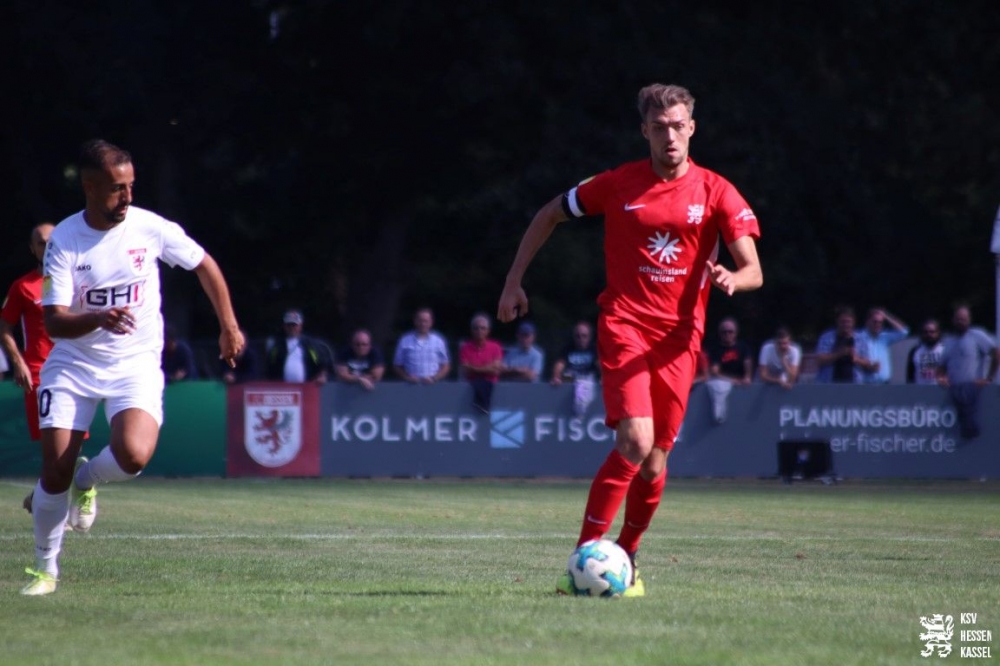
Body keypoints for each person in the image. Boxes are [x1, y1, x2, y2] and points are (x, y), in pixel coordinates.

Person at [497, 83, 762, 597]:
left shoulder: (716, 191)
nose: (669, 135)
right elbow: (549, 212)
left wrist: (733, 277)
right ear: (645, 130)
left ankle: (629, 557)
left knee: (657, 459)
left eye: (678, 125)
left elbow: (754, 269)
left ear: (692, 128)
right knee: (636, 442)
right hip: (624, 324)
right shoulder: (617, 184)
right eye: (659, 126)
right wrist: (513, 280)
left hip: (680, 340)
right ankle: (583, 558)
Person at [21, 139, 243, 596]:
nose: (127, 197)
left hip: (135, 363)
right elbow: (55, 322)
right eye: (117, 188)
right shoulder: (64, 239)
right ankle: (45, 569)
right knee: (52, 473)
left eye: (131, 186)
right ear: (89, 187)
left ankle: (88, 479)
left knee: (134, 456)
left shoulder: (149, 227)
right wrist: (98, 317)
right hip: (73, 365)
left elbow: (205, 265)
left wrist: (228, 325)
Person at [935, 304, 999, 440]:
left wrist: (989, 378)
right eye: (958, 319)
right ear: (953, 320)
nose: (961, 322)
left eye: (963, 319)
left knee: (973, 429)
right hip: (953, 392)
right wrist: (941, 378)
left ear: (969, 320)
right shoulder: (949, 341)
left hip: (973, 391)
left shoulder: (977, 335)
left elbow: (996, 353)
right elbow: (941, 367)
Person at [704, 317, 754, 423]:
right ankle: (719, 416)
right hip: (724, 381)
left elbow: (747, 362)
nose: (727, 335)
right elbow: (714, 372)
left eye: (730, 332)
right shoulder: (715, 349)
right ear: (720, 333)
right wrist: (732, 380)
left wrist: (747, 377)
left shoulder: (743, 347)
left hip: (742, 382)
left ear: (735, 333)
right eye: (724, 332)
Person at [550, 321, 601, 417]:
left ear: (589, 337)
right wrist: (556, 376)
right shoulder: (568, 348)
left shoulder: (594, 349)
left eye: (584, 336)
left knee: (585, 383)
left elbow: (600, 365)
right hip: (572, 378)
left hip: (588, 378)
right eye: (578, 336)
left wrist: (604, 377)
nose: (581, 339)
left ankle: (580, 409)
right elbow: (559, 365)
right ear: (574, 337)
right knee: (565, 377)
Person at [264, 309, 329, 384]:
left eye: (294, 325)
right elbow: (271, 365)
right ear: (284, 326)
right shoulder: (277, 345)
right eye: (289, 325)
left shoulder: (310, 344)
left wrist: (322, 375)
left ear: (300, 325)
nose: (291, 328)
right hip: (282, 389)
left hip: (306, 387)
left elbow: (321, 362)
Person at [814, 306, 872, 383]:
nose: (846, 324)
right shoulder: (826, 337)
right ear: (837, 321)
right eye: (843, 321)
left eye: (848, 322)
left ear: (853, 322)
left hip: (854, 383)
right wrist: (839, 354)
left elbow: (867, 363)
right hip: (829, 383)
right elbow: (819, 360)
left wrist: (856, 359)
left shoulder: (860, 339)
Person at [459, 313, 504, 412]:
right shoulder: (465, 348)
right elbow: (466, 370)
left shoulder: (495, 347)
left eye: (483, 328)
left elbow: (496, 371)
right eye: (476, 328)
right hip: (469, 387)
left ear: (488, 331)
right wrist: (487, 368)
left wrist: (474, 368)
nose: (479, 331)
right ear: (472, 330)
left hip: (493, 387)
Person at [393, 307, 450, 383]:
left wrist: (434, 378)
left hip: (433, 386)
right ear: (415, 321)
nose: (423, 324)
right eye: (420, 321)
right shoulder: (405, 340)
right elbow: (397, 365)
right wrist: (407, 377)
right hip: (411, 387)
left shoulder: (439, 341)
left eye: (426, 321)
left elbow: (445, 366)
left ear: (431, 322)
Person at [855, 307, 909, 384]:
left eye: (880, 322)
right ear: (867, 322)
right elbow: (854, 357)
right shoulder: (858, 336)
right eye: (875, 322)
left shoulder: (884, 337)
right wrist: (866, 365)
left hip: (884, 383)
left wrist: (886, 316)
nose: (878, 325)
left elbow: (904, 332)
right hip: (865, 383)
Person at [906, 318, 944, 385]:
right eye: (926, 332)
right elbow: (910, 377)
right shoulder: (915, 351)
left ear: (938, 333)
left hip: (940, 391)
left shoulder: (945, 350)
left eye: (932, 332)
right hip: (920, 392)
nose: (929, 335)